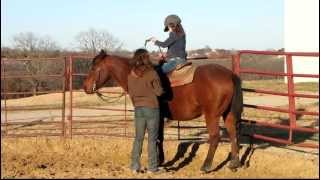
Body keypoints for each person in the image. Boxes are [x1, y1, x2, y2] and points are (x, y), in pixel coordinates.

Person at [127, 48, 164, 174]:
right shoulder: (152, 73)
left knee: (138, 138)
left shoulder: (130, 74)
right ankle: (152, 167)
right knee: (152, 139)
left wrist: (137, 103)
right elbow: (158, 92)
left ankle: (134, 166)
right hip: (152, 108)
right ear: (145, 58)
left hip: (138, 109)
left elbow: (131, 93)